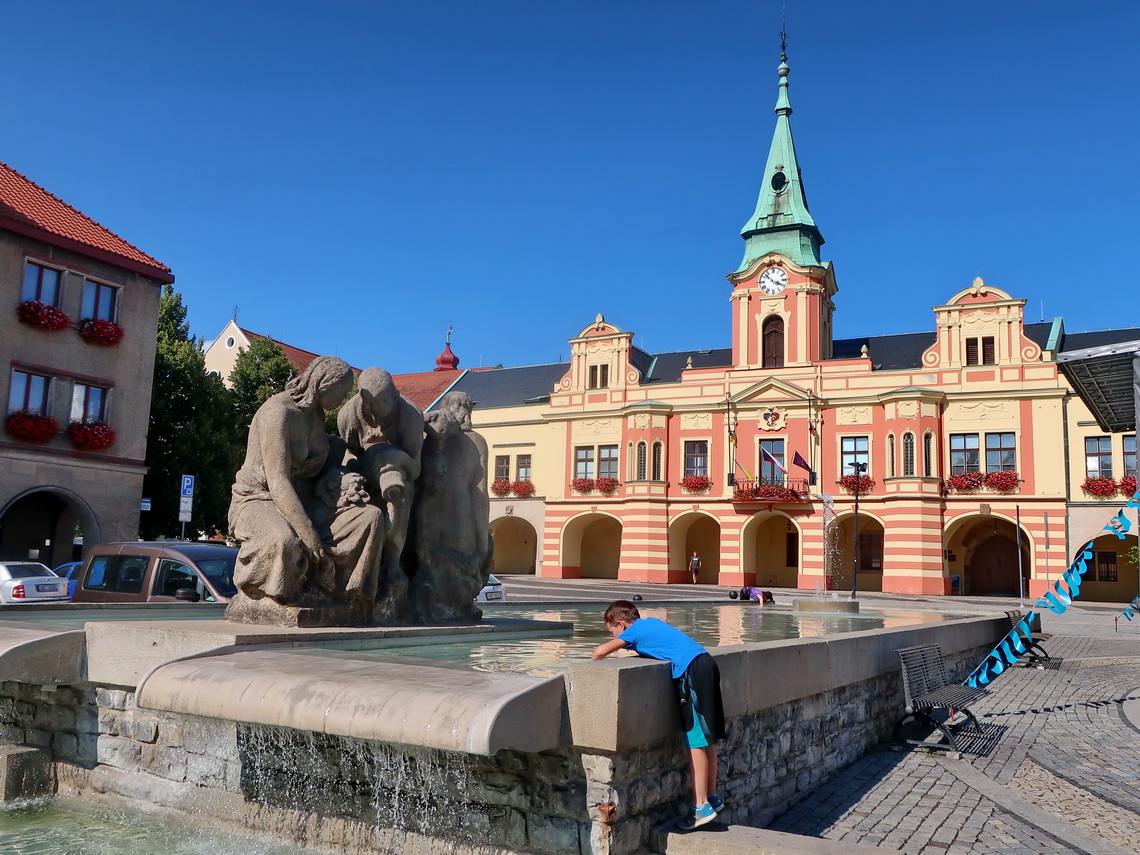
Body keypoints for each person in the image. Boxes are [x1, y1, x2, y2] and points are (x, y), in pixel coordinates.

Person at [592, 600, 725, 829]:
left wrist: (590, 670)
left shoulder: (633, 631)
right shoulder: (650, 623)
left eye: (612, 630)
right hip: (706, 663)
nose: (614, 636)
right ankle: (711, 797)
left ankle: (700, 806)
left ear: (621, 624)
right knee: (706, 739)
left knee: (694, 740)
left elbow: (601, 651)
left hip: (691, 671)